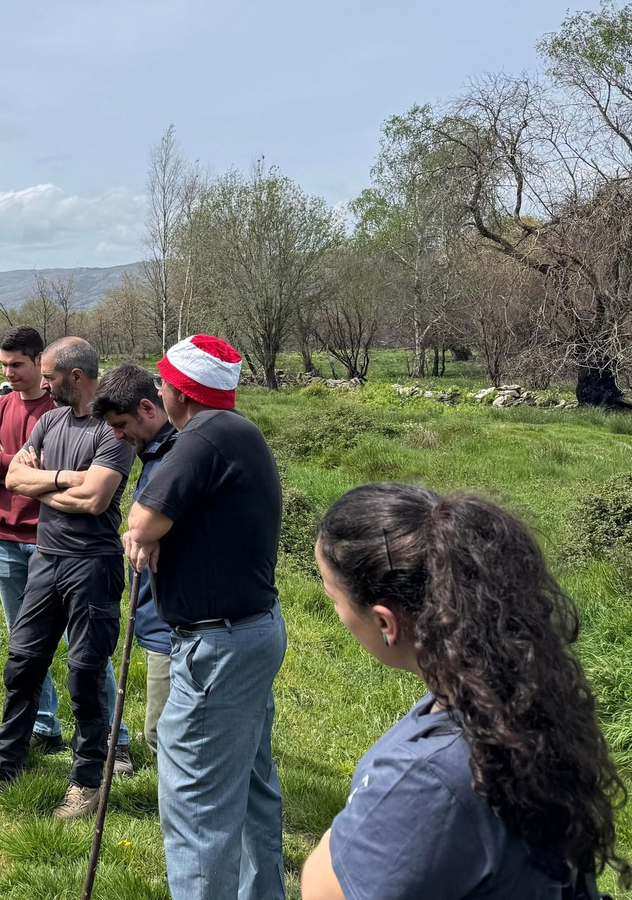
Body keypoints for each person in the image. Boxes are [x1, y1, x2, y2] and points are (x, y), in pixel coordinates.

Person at [306, 482, 630, 900]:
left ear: (385, 622)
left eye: (334, 597)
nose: (336, 610)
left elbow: (324, 890)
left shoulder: (428, 775)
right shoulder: (512, 694)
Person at [122, 334, 285, 900]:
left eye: (164, 382)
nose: (160, 391)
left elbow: (140, 525)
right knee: (251, 787)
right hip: (252, 632)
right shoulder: (239, 433)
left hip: (218, 647)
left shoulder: (203, 435)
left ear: (180, 393)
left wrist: (146, 534)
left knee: (196, 807)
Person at [0, 336, 135, 819]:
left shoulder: (112, 429)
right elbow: (13, 478)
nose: (44, 385)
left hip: (92, 564)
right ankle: (3, 766)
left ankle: (88, 780)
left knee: (85, 673)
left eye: (50, 376)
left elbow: (95, 500)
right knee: (23, 665)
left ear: (75, 376)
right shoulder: (52, 421)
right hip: (45, 560)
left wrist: (44, 483)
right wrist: (65, 479)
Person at [94, 364, 176, 755]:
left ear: (148, 408)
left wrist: (141, 533)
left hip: (173, 624)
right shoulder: (156, 451)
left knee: (165, 736)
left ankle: (181, 814)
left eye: (122, 423)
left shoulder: (178, 454)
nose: (117, 436)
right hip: (158, 617)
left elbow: (143, 526)